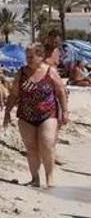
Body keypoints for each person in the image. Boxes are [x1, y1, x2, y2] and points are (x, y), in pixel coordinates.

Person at [3, 42, 68, 188]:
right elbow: (14, 95)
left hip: (48, 113)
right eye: (27, 56)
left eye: (31, 56)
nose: (28, 59)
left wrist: (64, 111)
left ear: (41, 56)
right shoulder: (21, 72)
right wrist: (7, 112)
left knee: (47, 143)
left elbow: (61, 91)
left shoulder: (50, 72)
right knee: (31, 147)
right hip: (26, 115)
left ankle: (49, 178)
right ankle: (35, 179)